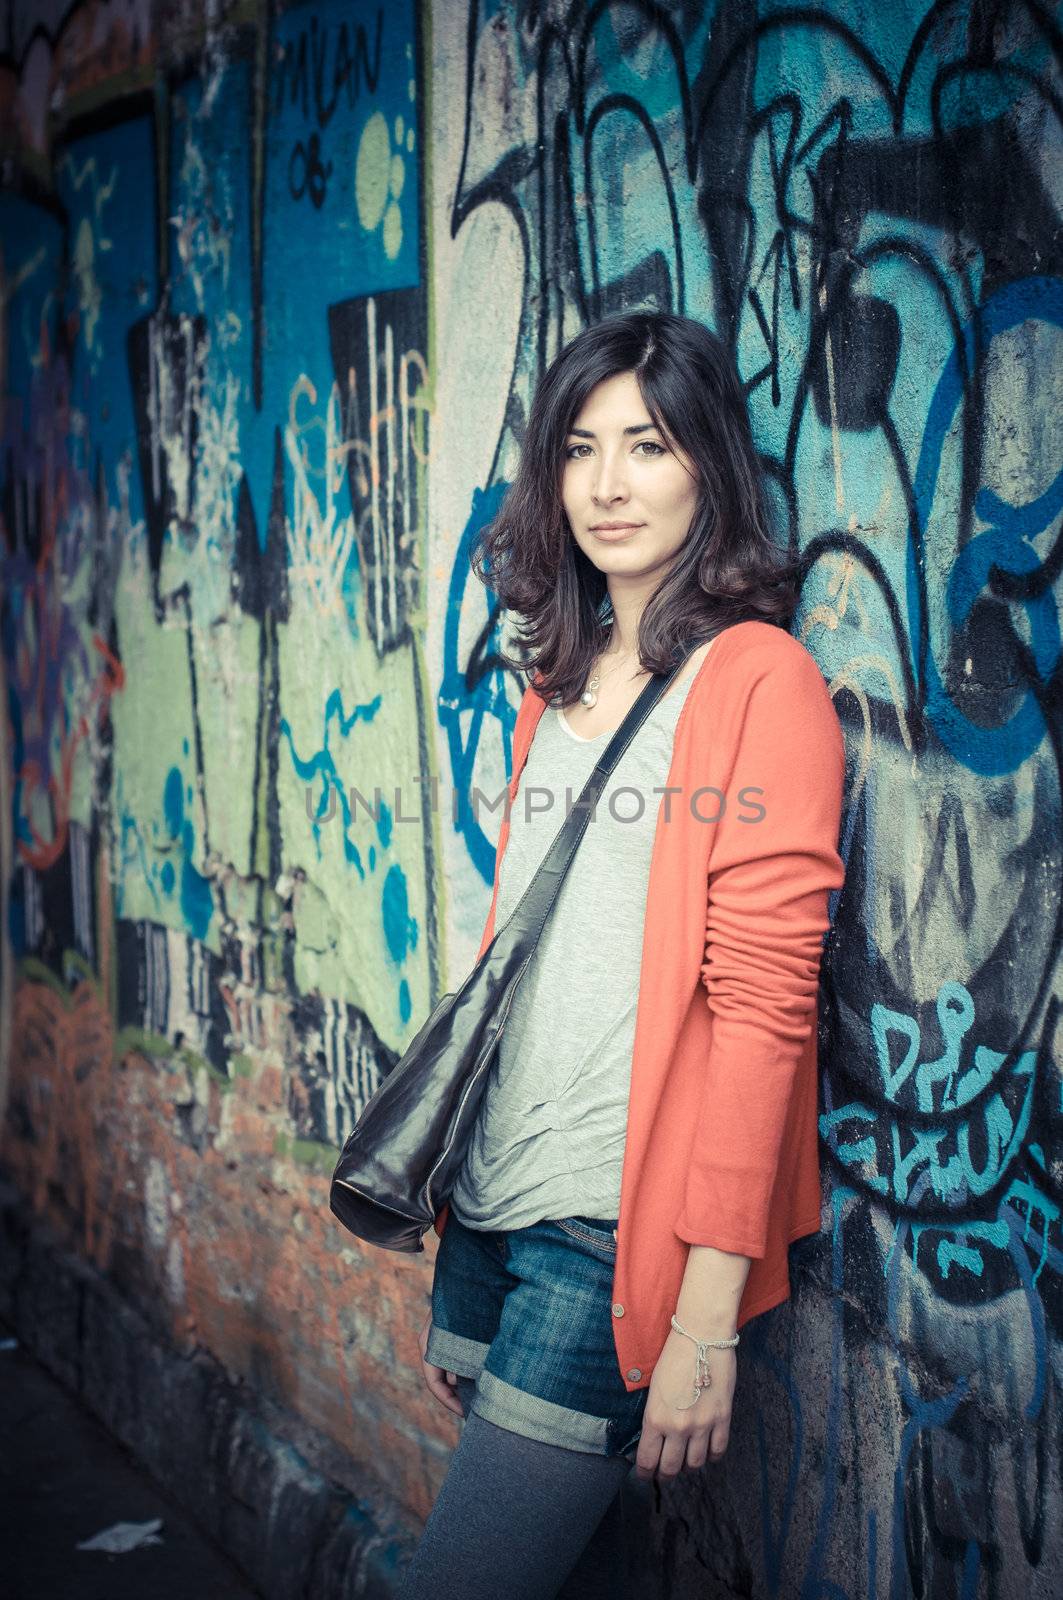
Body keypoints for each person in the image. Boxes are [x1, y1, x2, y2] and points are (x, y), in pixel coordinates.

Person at [397, 311, 847, 1599]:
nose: (606, 485)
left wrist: (704, 1316)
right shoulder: (558, 676)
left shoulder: (761, 683)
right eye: (580, 449)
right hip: (490, 1212)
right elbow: (522, 967)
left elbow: (768, 1015)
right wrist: (454, 1216)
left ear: (707, 462)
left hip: (614, 1239)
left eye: (646, 446)